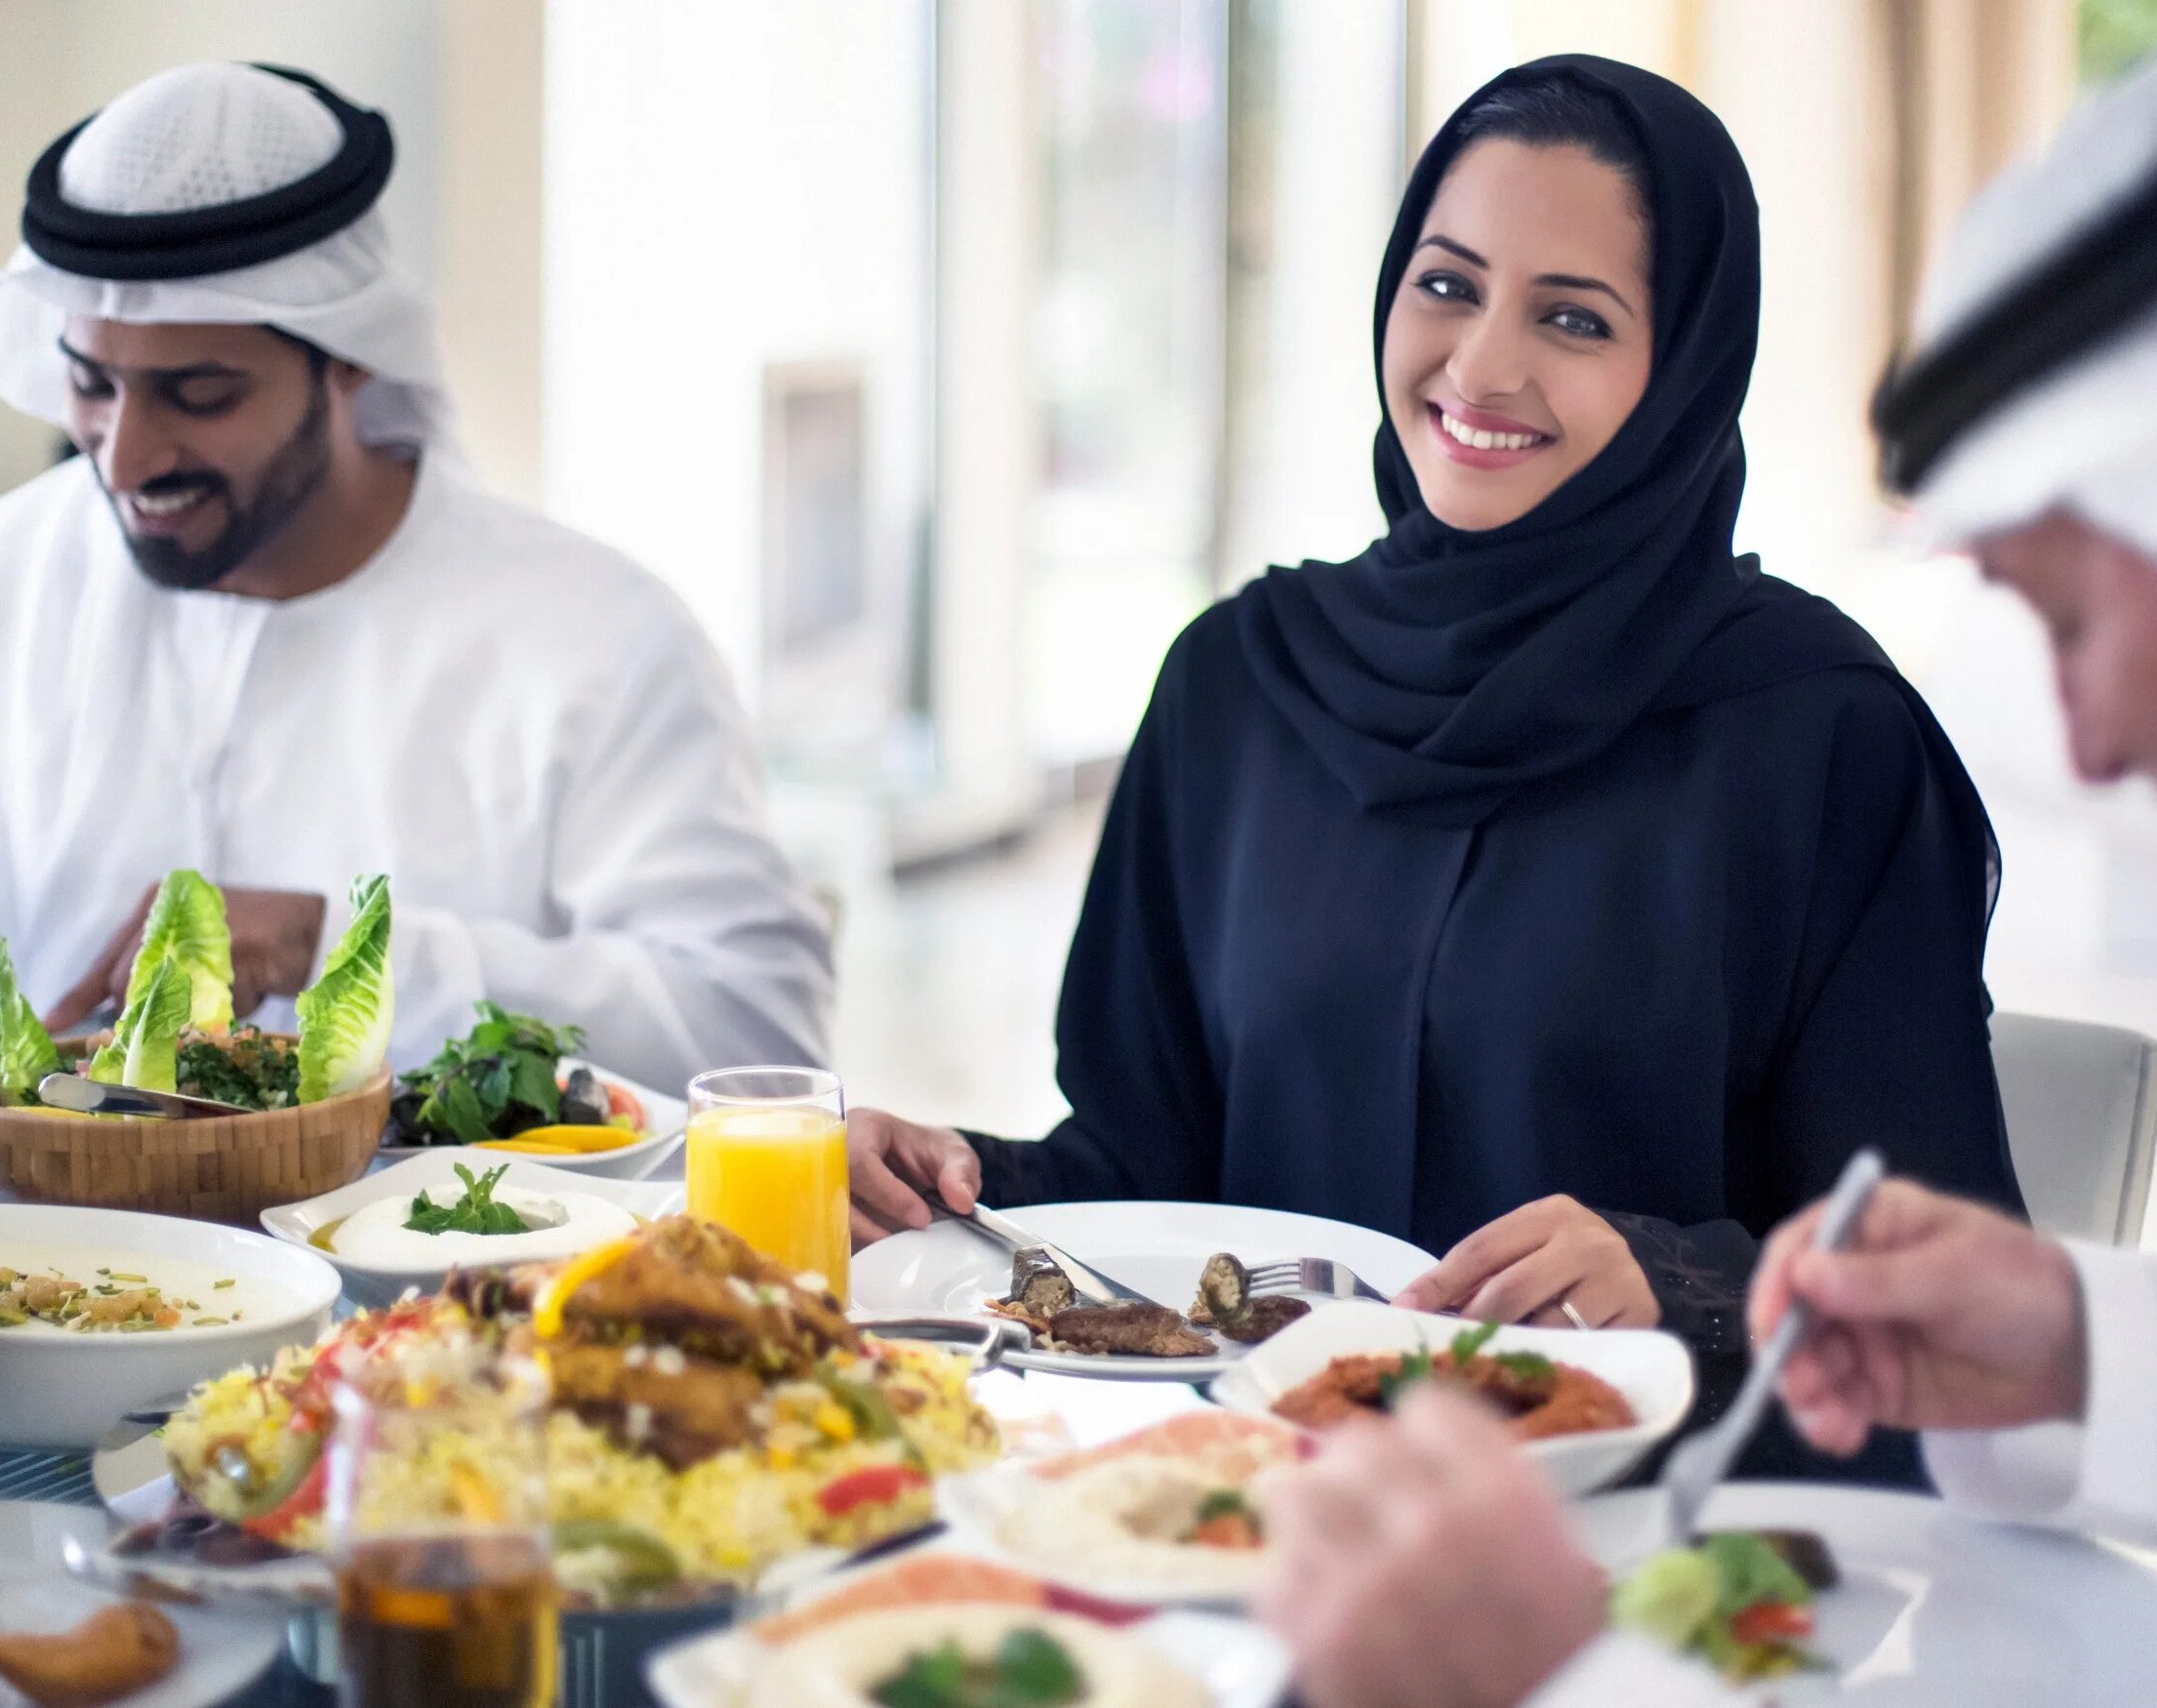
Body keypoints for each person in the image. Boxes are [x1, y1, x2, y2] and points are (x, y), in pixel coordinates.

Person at [1251, 11, 2157, 1705]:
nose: (2092, 748)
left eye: (2078, 621)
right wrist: (2077, 1348)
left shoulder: (1812, 728)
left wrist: (1548, 1679)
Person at [850, 54, 2019, 1484]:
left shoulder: (1816, 735)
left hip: (1635, 1533)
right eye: (1448, 285)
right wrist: (938, 1183)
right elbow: (1148, 1169)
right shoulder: (1238, 684)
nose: (1479, 369)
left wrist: (1671, 1279)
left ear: (1686, 366)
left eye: (1573, 318)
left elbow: (1940, 1285)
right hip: (1244, 1512)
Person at [0, 62, 834, 1087]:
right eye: (92, 385)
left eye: (200, 393)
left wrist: (343, 952)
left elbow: (758, 1038)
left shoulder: (595, 636)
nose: (125, 457)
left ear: (350, 355)